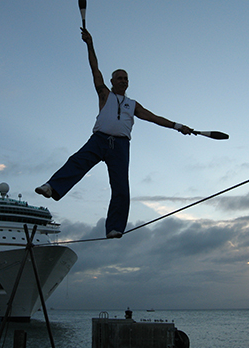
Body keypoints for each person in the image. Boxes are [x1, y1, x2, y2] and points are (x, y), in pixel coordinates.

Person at [36, 28, 193, 239]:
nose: (123, 80)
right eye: (119, 78)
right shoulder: (104, 94)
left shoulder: (133, 105)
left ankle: (114, 227)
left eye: (125, 78)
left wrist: (178, 126)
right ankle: (52, 187)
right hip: (99, 140)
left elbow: (154, 118)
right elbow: (94, 68)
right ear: (112, 81)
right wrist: (89, 44)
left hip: (120, 147)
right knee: (77, 161)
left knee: (121, 187)